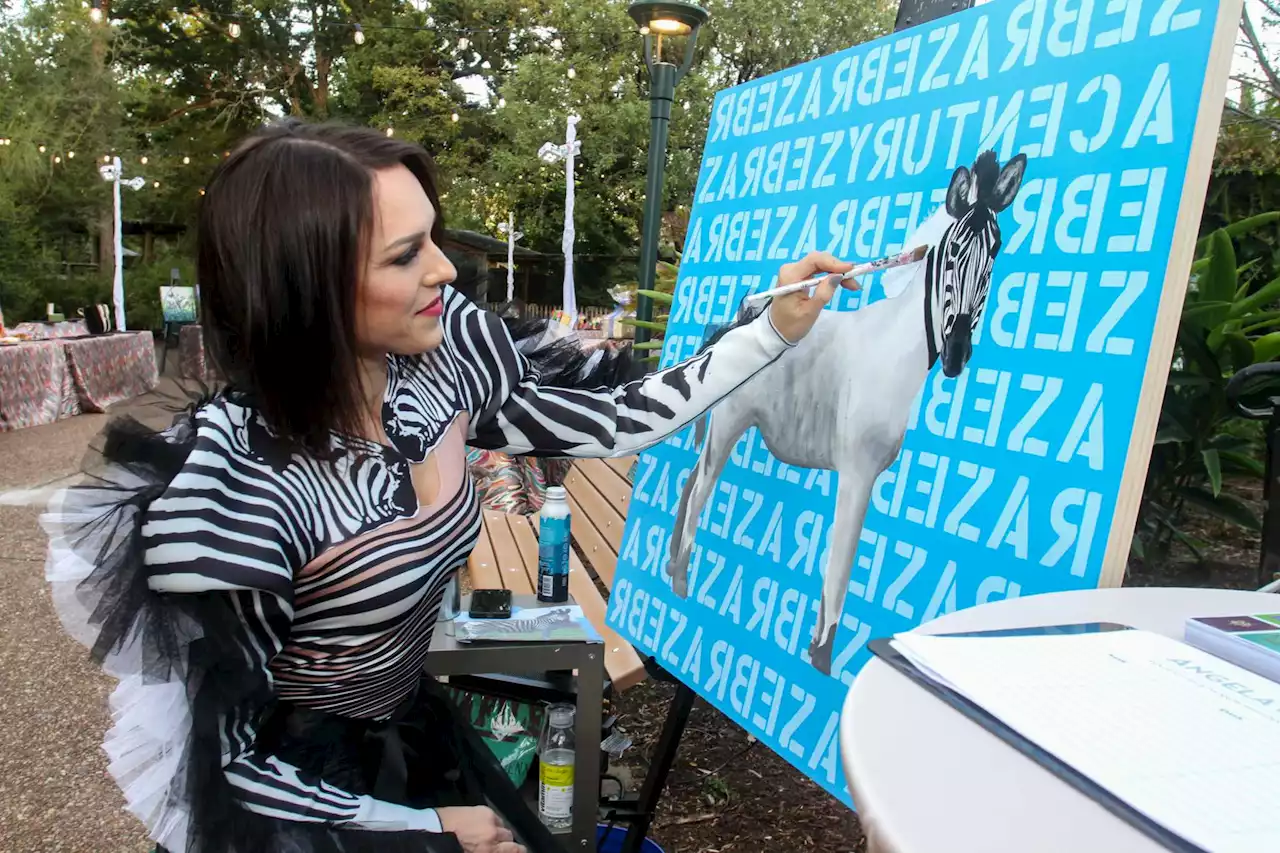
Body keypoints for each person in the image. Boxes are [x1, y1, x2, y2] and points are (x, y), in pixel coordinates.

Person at [42, 118, 856, 853]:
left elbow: (617, 416)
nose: (443, 268)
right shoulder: (230, 488)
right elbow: (226, 767)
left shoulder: (439, 363)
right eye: (404, 255)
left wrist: (770, 329)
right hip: (312, 809)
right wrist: (423, 826)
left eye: (430, 236)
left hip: (418, 733)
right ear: (306, 285)